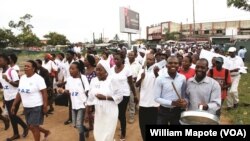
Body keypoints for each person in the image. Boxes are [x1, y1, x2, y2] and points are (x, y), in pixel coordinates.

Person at [11, 60, 50, 141]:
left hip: (36, 106)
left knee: (33, 127)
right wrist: (14, 104)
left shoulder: (38, 79)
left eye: (28, 66)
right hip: (26, 106)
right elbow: (20, 92)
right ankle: (46, 132)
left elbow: (44, 93)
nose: (25, 68)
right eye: (25, 66)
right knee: (30, 126)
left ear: (33, 68)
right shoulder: (22, 78)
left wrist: (45, 106)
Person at [87, 60, 123, 141]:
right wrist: (88, 109)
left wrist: (105, 98)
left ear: (106, 71)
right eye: (97, 69)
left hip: (110, 111)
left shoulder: (112, 80)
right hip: (99, 112)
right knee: (98, 133)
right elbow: (90, 96)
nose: (98, 72)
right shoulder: (93, 81)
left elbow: (120, 96)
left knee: (108, 135)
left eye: (100, 70)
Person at [57, 62, 89, 141]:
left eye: (72, 69)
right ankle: (86, 129)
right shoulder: (69, 79)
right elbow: (68, 92)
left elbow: (87, 92)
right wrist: (63, 91)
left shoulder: (83, 78)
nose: (70, 70)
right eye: (70, 69)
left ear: (78, 69)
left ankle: (82, 139)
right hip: (74, 105)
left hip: (82, 104)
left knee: (78, 125)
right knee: (75, 124)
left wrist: (88, 107)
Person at [0, 54, 28, 141]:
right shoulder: (1, 72)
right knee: (12, 116)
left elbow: (17, 84)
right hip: (7, 97)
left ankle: (24, 127)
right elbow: (3, 86)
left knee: (12, 115)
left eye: (0, 60)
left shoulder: (11, 71)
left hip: (15, 97)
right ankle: (16, 134)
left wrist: (8, 80)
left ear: (6, 61)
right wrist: (4, 99)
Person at [110, 52, 138, 140]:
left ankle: (123, 133)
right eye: (114, 59)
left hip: (124, 95)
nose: (115, 60)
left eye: (117, 59)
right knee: (116, 113)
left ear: (122, 59)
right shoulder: (111, 69)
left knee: (121, 113)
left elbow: (131, 83)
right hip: (114, 95)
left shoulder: (127, 69)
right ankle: (122, 125)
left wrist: (135, 95)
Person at [154, 56, 186, 125]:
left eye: (175, 63)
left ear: (179, 65)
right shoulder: (160, 79)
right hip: (163, 110)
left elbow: (183, 95)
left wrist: (183, 102)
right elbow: (156, 98)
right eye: (170, 63)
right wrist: (172, 103)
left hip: (177, 111)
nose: (173, 65)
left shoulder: (182, 78)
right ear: (166, 65)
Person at [136, 53, 159, 141]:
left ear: (154, 61)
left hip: (154, 104)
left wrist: (156, 74)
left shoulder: (157, 71)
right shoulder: (142, 71)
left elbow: (160, 83)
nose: (149, 61)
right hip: (143, 104)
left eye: (151, 59)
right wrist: (141, 78)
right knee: (143, 126)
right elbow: (137, 85)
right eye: (148, 59)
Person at [127, 51, 141, 124]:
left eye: (132, 55)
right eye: (129, 55)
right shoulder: (125, 64)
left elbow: (140, 75)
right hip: (126, 84)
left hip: (134, 84)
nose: (130, 56)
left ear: (135, 56)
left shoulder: (138, 65)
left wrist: (136, 79)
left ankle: (132, 116)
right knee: (128, 99)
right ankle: (133, 109)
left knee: (132, 99)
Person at [83, 54, 96, 133]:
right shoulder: (84, 71)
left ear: (90, 62)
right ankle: (91, 126)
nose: (84, 62)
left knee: (92, 111)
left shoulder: (95, 71)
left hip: (94, 94)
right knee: (88, 111)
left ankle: (96, 124)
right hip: (86, 94)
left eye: (85, 60)